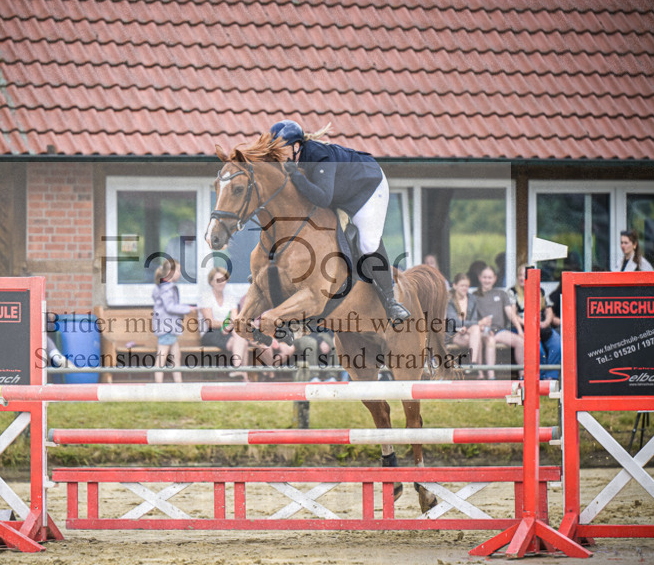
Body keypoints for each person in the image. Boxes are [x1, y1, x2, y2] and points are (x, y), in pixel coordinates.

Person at [269, 119, 410, 323]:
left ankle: (391, 300)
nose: (278, 156)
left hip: (368, 189)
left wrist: (296, 177)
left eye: (281, 150)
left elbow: (323, 198)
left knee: (368, 243)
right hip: (341, 192)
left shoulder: (319, 156)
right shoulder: (295, 160)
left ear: (296, 146)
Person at [508, 264, 561, 379]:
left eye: (525, 275)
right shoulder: (512, 292)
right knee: (538, 349)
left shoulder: (540, 291)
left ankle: (551, 377)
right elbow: (513, 314)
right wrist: (528, 323)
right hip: (524, 327)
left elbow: (548, 310)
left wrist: (546, 322)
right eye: (520, 275)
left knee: (557, 344)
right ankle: (539, 378)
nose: (522, 278)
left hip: (542, 327)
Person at [199, 267, 250, 380]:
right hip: (210, 333)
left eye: (223, 279)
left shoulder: (230, 298)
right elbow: (211, 323)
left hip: (227, 332)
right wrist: (228, 325)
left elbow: (235, 319)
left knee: (242, 341)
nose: (221, 283)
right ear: (211, 282)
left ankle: (239, 372)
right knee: (242, 342)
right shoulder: (205, 297)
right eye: (217, 280)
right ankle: (242, 375)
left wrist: (230, 326)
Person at [473, 265, 524, 379]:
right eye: (484, 277)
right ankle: (491, 377)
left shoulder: (501, 294)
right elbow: (472, 318)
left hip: (499, 331)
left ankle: (522, 376)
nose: (487, 280)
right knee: (490, 341)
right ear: (480, 278)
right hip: (483, 331)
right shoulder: (474, 296)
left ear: (495, 278)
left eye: (490, 277)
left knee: (521, 342)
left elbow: (510, 314)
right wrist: (482, 326)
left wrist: (520, 330)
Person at [151, 257, 195, 383]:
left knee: (176, 356)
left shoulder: (164, 287)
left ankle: (178, 384)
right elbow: (170, 307)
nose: (180, 273)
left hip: (168, 327)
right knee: (162, 357)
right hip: (167, 327)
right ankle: (158, 386)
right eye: (178, 271)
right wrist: (187, 309)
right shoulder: (167, 288)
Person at [445, 273, 484, 375]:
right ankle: (479, 373)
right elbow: (454, 321)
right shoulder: (449, 300)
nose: (465, 288)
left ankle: (473, 364)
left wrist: (470, 326)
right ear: (455, 286)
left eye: (467, 286)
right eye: (462, 285)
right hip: (454, 333)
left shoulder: (472, 299)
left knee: (476, 330)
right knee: (477, 339)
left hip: (469, 332)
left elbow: (474, 318)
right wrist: (474, 324)